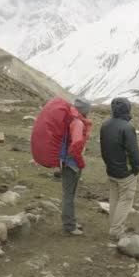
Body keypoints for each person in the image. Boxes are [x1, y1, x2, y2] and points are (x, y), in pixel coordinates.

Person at [100, 97, 139, 240]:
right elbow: (133, 152)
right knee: (126, 199)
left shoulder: (105, 125)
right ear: (127, 109)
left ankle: (114, 225)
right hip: (125, 172)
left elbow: (103, 149)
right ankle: (116, 230)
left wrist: (109, 165)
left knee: (115, 198)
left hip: (111, 169)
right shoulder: (127, 127)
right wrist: (136, 168)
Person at [60, 98, 92, 236]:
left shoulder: (72, 120)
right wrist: (80, 163)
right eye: (88, 109)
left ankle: (70, 221)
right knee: (69, 196)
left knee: (70, 194)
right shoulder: (78, 123)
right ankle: (69, 226)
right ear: (84, 110)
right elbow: (76, 145)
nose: (89, 112)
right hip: (71, 164)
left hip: (66, 162)